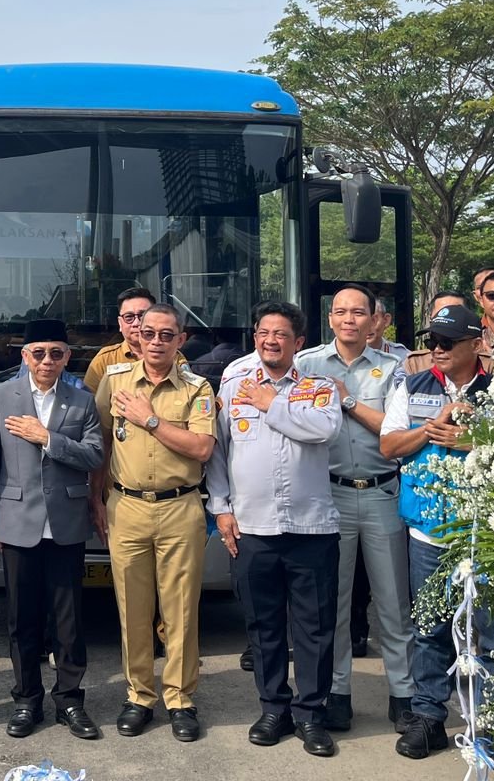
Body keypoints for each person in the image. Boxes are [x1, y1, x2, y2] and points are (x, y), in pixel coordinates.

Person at [207, 302, 341, 757]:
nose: (270, 340)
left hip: (312, 528)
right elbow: (219, 453)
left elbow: (323, 430)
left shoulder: (318, 388)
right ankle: (272, 708)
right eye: (263, 332)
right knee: (262, 627)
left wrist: (273, 402)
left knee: (314, 627)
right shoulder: (234, 386)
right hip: (252, 528)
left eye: (281, 334)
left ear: (298, 343)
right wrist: (221, 509)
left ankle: (311, 714)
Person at [379, 305, 494, 768]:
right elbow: (389, 446)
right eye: (433, 339)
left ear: (476, 343)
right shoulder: (412, 385)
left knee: (492, 631)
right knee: (430, 625)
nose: (437, 348)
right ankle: (428, 717)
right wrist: (428, 433)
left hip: (489, 534)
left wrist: (477, 439)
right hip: (429, 530)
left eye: (448, 341)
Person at [92, 303, 215, 742]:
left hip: (180, 507)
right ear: (136, 337)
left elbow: (201, 448)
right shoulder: (114, 382)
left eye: (167, 334)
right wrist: (96, 497)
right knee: (133, 608)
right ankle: (139, 695)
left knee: (181, 610)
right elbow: (101, 441)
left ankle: (180, 698)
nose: (157, 341)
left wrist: (149, 419)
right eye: (149, 333)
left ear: (181, 340)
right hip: (126, 507)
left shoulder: (197, 388)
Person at [0, 318, 104, 741]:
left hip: (66, 523)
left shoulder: (81, 400)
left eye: (56, 353)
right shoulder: (0, 397)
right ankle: (26, 698)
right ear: (24, 355)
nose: (47, 361)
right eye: (38, 353)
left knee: (68, 620)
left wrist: (47, 438)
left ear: (68, 357)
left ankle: (70, 698)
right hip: (17, 521)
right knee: (22, 617)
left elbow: (93, 456)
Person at [295, 287, 413, 734]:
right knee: (335, 604)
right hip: (329, 495)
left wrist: (346, 400)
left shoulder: (393, 369)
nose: (350, 319)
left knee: (393, 603)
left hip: (382, 492)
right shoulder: (306, 365)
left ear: (375, 321)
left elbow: (398, 430)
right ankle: (338, 693)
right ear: (329, 318)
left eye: (359, 312)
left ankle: (402, 693)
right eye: (341, 311)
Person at [402, 293, 492, 375]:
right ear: (431, 319)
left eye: (446, 343)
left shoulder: (490, 365)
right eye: (432, 342)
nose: (438, 349)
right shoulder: (415, 364)